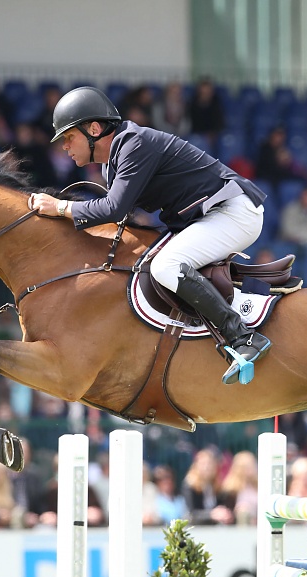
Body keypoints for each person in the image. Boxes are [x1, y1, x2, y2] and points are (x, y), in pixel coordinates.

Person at [27, 86, 270, 385]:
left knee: (165, 266)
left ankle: (243, 337)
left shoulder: (134, 143)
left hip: (233, 212)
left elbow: (113, 209)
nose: (64, 146)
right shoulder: (114, 161)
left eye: (68, 137)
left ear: (94, 129)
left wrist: (60, 207)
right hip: (209, 216)